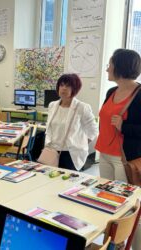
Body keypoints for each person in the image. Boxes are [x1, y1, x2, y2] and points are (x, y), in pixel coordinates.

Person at [95, 48, 141, 250]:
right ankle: (114, 243)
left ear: (120, 67)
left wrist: (125, 126)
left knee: (127, 205)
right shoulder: (110, 92)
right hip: (103, 154)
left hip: (124, 158)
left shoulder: (140, 95)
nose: (107, 69)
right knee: (108, 202)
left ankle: (127, 243)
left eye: (110, 64)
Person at [44, 73, 98, 171]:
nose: (64, 88)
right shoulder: (52, 105)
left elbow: (93, 131)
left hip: (70, 154)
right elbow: (49, 128)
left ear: (75, 89)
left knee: (67, 183)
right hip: (52, 151)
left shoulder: (82, 107)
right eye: (61, 85)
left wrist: (81, 144)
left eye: (68, 86)